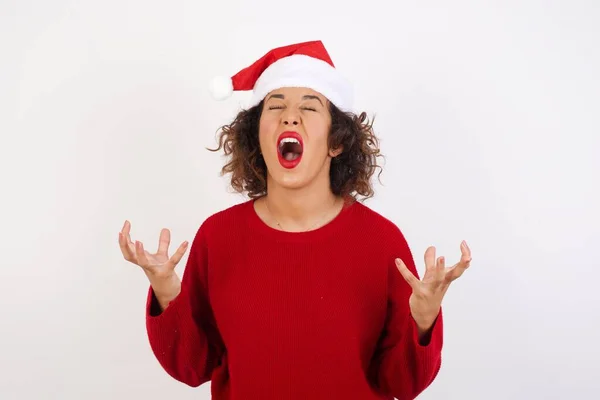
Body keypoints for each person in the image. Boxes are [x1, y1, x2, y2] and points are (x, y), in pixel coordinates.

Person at [118, 40, 472, 400]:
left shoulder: (381, 241)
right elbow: (193, 367)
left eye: (309, 106)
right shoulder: (218, 236)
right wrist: (166, 293)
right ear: (257, 137)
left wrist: (424, 320)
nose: (290, 116)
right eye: (276, 106)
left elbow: (402, 384)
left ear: (336, 142)